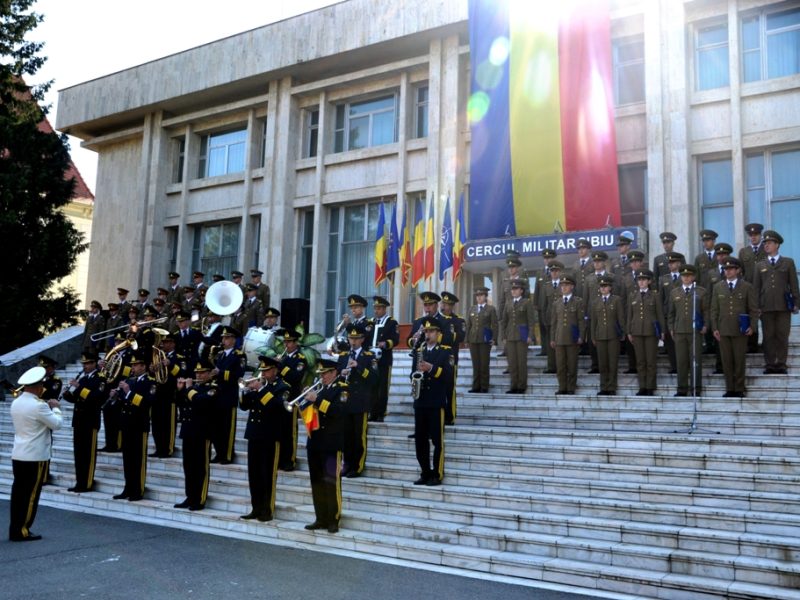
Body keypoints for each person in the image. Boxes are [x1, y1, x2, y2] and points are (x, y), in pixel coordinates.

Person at [8, 366, 63, 542]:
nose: (42, 388)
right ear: (36, 386)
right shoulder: (39, 406)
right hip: (35, 456)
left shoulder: (17, 402)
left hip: (19, 454)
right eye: (41, 385)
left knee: (18, 494)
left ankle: (15, 527)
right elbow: (56, 424)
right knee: (30, 495)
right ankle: (23, 530)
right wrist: (56, 408)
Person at [239, 355, 291, 522]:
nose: (263, 373)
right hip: (254, 434)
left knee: (267, 474)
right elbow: (244, 406)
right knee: (254, 474)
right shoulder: (260, 387)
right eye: (262, 370)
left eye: (266, 370)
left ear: (275, 370)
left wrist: (261, 390)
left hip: (270, 435)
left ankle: (267, 510)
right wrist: (245, 390)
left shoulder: (282, 387)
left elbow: (277, 407)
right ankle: (256, 508)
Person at [302, 358, 347, 533]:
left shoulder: (342, 388)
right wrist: (307, 398)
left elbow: (339, 411)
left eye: (325, 373)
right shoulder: (320, 389)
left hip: (331, 443)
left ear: (334, 372)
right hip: (315, 441)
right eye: (320, 374)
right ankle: (320, 517)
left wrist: (317, 400)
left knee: (331, 482)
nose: (322, 377)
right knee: (317, 482)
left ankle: (333, 519)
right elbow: (307, 412)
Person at [410, 320, 453, 486]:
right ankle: (425, 472)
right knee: (420, 440)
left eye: (432, 331)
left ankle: (437, 473)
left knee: (437, 440)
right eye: (426, 332)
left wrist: (431, 369)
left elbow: (449, 376)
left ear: (439, 333)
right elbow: (412, 373)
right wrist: (414, 377)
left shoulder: (445, 352)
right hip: (420, 402)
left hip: (436, 402)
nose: (428, 335)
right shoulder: (419, 351)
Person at [753, 230, 800, 374]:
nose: (766, 246)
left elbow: (794, 284)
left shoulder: (788, 262)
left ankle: (781, 363)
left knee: (782, 335)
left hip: (783, 306)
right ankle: (770, 364)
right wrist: (756, 307)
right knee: (768, 336)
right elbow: (756, 288)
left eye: (769, 243)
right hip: (766, 306)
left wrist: (797, 303)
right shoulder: (759, 265)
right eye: (765, 243)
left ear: (777, 245)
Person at [711, 257, 758, 397]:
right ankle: (729, 388)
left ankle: (739, 388)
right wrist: (714, 328)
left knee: (739, 360)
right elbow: (714, 309)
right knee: (726, 360)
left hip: (740, 330)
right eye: (726, 269)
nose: (728, 271)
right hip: (723, 329)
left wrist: (752, 326)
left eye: (731, 269)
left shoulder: (747, 287)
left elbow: (753, 310)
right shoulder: (718, 287)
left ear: (738, 270)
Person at [112, 350, 155, 501]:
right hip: (127, 424)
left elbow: (146, 402)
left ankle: (138, 489)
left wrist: (128, 393)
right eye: (132, 365)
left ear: (143, 366)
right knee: (127, 459)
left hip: (139, 425)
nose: (133, 368)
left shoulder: (150, 381)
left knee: (138, 459)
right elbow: (124, 401)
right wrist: (116, 395)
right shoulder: (130, 380)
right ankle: (128, 488)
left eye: (136, 365)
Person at [61, 351, 108, 492]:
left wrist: (79, 387)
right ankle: (79, 482)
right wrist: (67, 394)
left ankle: (87, 483)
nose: (85, 366)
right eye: (84, 364)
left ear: (94, 363)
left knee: (88, 454)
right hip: (79, 421)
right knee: (79, 454)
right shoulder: (83, 379)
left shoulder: (100, 378)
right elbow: (76, 399)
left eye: (87, 363)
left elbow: (96, 397)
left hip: (90, 421)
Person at [337, 324, 378, 478]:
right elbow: (335, 377)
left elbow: (375, 379)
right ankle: (346, 465)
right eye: (351, 338)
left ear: (362, 339)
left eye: (356, 339)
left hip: (361, 402)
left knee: (358, 436)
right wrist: (341, 372)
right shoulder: (343, 355)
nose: (353, 342)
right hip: (345, 402)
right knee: (345, 436)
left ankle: (358, 466)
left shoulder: (369, 356)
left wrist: (359, 367)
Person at [174, 359, 215, 512]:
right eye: (197, 372)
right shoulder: (193, 388)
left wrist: (189, 388)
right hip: (188, 430)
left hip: (202, 431)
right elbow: (181, 404)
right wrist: (180, 390)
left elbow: (201, 402)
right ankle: (190, 496)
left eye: (203, 372)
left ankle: (200, 498)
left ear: (210, 374)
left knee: (200, 467)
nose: (199, 375)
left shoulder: (212, 388)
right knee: (188, 466)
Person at [669, 264, 708, 396]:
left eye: (688, 276)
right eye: (684, 276)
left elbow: (706, 311)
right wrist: (671, 328)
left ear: (693, 277)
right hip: (679, 330)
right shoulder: (674, 292)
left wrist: (705, 325)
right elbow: (671, 313)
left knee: (695, 360)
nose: (686, 278)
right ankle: (682, 388)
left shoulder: (700, 292)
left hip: (695, 331)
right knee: (681, 361)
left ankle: (696, 388)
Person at [210, 327, 246, 464]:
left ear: (233, 340)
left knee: (227, 428)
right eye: (223, 338)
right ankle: (219, 453)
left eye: (226, 338)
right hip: (217, 395)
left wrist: (220, 373)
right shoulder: (220, 355)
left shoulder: (239, 355)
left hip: (229, 395)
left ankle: (228, 455)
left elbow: (239, 375)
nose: (223, 340)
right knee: (216, 428)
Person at [627, 269, 665, 396]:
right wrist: (629, 331)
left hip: (650, 332)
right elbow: (629, 315)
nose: (641, 282)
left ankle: (650, 386)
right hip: (637, 331)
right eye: (639, 280)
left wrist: (662, 331)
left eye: (644, 280)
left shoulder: (655, 295)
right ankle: (642, 386)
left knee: (650, 361)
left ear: (649, 281)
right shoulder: (632, 296)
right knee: (640, 361)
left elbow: (660, 314)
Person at [277, 328, 307, 471]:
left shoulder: (300, 359)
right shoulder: (284, 358)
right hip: (280, 397)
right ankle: (279, 459)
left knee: (290, 431)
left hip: (292, 398)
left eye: (289, 342)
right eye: (285, 342)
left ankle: (290, 460)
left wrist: (280, 366)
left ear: (296, 343)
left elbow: (295, 377)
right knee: (279, 430)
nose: (286, 345)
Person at [150, 333, 184, 458]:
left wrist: (170, 365)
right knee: (156, 424)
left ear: (173, 343)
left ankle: (168, 449)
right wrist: (152, 369)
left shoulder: (178, 357)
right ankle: (159, 448)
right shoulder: (158, 356)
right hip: (157, 394)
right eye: (163, 342)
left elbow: (182, 373)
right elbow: (153, 376)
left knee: (168, 424)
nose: (164, 344)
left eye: (167, 342)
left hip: (170, 395)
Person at [590, 276, 625, 396]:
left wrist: (623, 333)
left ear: (610, 287)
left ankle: (611, 387)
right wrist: (593, 336)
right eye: (601, 287)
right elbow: (593, 321)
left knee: (612, 363)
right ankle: (603, 387)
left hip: (613, 335)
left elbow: (621, 318)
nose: (603, 288)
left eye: (605, 286)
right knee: (602, 363)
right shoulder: (595, 302)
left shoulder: (616, 300)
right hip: (600, 336)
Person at [550, 275, 585, 395]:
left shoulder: (578, 302)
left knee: (572, 365)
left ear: (572, 287)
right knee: (560, 366)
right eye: (562, 285)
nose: (563, 288)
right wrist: (552, 338)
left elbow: (581, 320)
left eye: (566, 285)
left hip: (572, 338)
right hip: (559, 338)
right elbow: (553, 322)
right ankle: (562, 387)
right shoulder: (556, 303)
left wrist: (581, 336)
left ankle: (571, 387)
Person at [368, 295, 399, 422]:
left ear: (385, 309)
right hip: (371, 360)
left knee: (383, 387)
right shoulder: (370, 322)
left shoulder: (392, 322)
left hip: (384, 360)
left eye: (379, 308)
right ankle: (372, 412)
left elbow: (395, 339)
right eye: (375, 308)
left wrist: (385, 343)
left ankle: (381, 412)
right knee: (372, 387)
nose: (376, 311)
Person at [502, 281, 535, 394]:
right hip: (511, 336)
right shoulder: (508, 303)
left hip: (522, 336)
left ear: (521, 290)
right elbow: (504, 321)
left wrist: (530, 335)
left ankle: (521, 386)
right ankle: (513, 386)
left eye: (516, 289)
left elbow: (531, 321)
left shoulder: (527, 303)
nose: (513, 291)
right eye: (512, 289)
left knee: (521, 362)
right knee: (512, 363)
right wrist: (504, 336)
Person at [739, 223, 766, 353]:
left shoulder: (766, 249)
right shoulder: (744, 252)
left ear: (760, 235)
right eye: (751, 235)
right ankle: (752, 344)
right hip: (749, 290)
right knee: (751, 316)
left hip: (765, 290)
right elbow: (740, 272)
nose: (753, 237)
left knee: (766, 318)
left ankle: (767, 344)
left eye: (756, 235)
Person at [465, 287, 498, 393]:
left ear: (485, 296)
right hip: (473, 339)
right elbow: (468, 325)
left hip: (485, 339)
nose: (478, 298)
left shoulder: (491, 309)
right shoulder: (472, 309)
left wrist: (494, 338)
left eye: (481, 295)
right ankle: (475, 386)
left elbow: (495, 325)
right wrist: (466, 339)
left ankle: (484, 386)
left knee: (484, 364)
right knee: (475, 364)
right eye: (477, 296)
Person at [439, 292, 465, 423]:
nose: (445, 307)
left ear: (452, 306)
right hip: (436, 359)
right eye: (443, 303)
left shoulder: (459, 320)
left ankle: (450, 416)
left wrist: (446, 337)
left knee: (449, 388)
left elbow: (461, 336)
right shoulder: (436, 319)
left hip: (450, 358)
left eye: (448, 304)